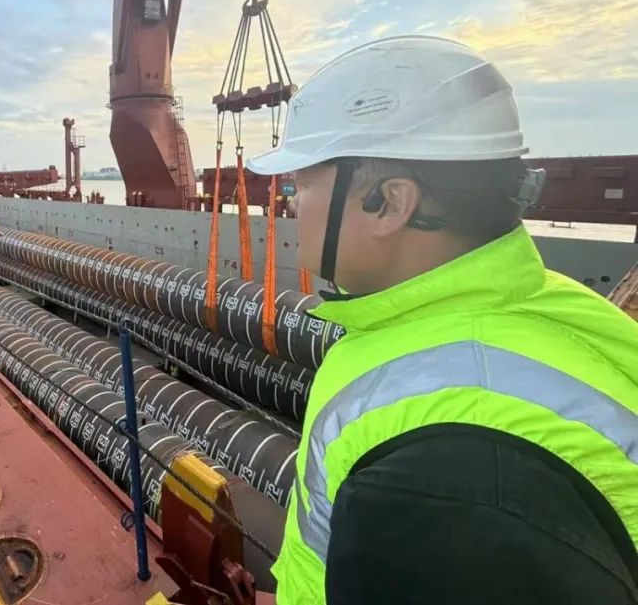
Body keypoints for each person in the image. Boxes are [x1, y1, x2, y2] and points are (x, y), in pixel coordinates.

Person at [247, 36, 638, 604]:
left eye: (300, 184)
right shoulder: (545, 311)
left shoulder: (448, 474)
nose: (288, 204)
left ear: (390, 202)